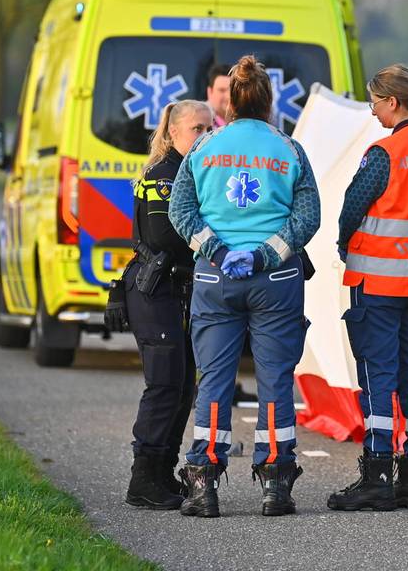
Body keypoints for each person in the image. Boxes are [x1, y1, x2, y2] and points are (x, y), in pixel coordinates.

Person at [169, 55, 321, 518]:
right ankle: (276, 483)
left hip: (216, 280)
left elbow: (180, 211)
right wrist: (263, 255)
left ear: (228, 102)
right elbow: (307, 218)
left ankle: (203, 484)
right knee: (275, 380)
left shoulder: (203, 148)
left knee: (214, 380)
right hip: (276, 281)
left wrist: (217, 251)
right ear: (268, 101)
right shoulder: (289, 149)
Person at [327, 64, 408, 512]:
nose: (373, 111)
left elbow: (352, 208)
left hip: (379, 285)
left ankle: (378, 475)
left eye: (374, 103)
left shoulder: (384, 153)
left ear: (392, 101)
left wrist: (345, 244)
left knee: (378, 376)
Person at [122, 99, 214, 509]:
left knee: (181, 386)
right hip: (154, 290)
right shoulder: (164, 175)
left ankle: (162, 473)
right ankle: (142, 480)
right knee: (164, 385)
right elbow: (164, 236)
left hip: (176, 292)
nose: (206, 136)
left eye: (210, 128)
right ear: (173, 132)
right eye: (197, 128)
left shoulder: (193, 172)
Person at [205, 63, 232, 128]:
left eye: (233, 90)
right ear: (210, 92)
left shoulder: (250, 121)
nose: (228, 96)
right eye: (222, 90)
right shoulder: (198, 120)